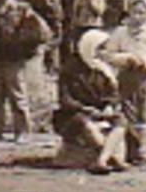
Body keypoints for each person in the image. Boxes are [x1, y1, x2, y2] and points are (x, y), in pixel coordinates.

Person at [0, 0, 53, 141]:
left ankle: (23, 132)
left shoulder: (21, 9)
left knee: (16, 95)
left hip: (14, 57)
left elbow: (39, 31)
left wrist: (24, 45)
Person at [101, 0, 146, 165]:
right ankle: (131, 150)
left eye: (142, 13)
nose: (138, 17)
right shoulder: (120, 32)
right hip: (126, 77)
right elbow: (109, 54)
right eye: (134, 12)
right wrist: (126, 58)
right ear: (129, 12)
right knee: (128, 112)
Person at [51, 28, 130, 174]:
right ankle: (111, 158)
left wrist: (109, 105)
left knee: (121, 120)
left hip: (98, 111)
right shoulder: (70, 70)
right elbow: (65, 99)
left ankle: (102, 160)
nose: (102, 52)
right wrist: (84, 108)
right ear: (89, 47)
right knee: (84, 122)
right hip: (74, 114)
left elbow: (113, 95)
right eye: (99, 48)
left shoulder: (104, 70)